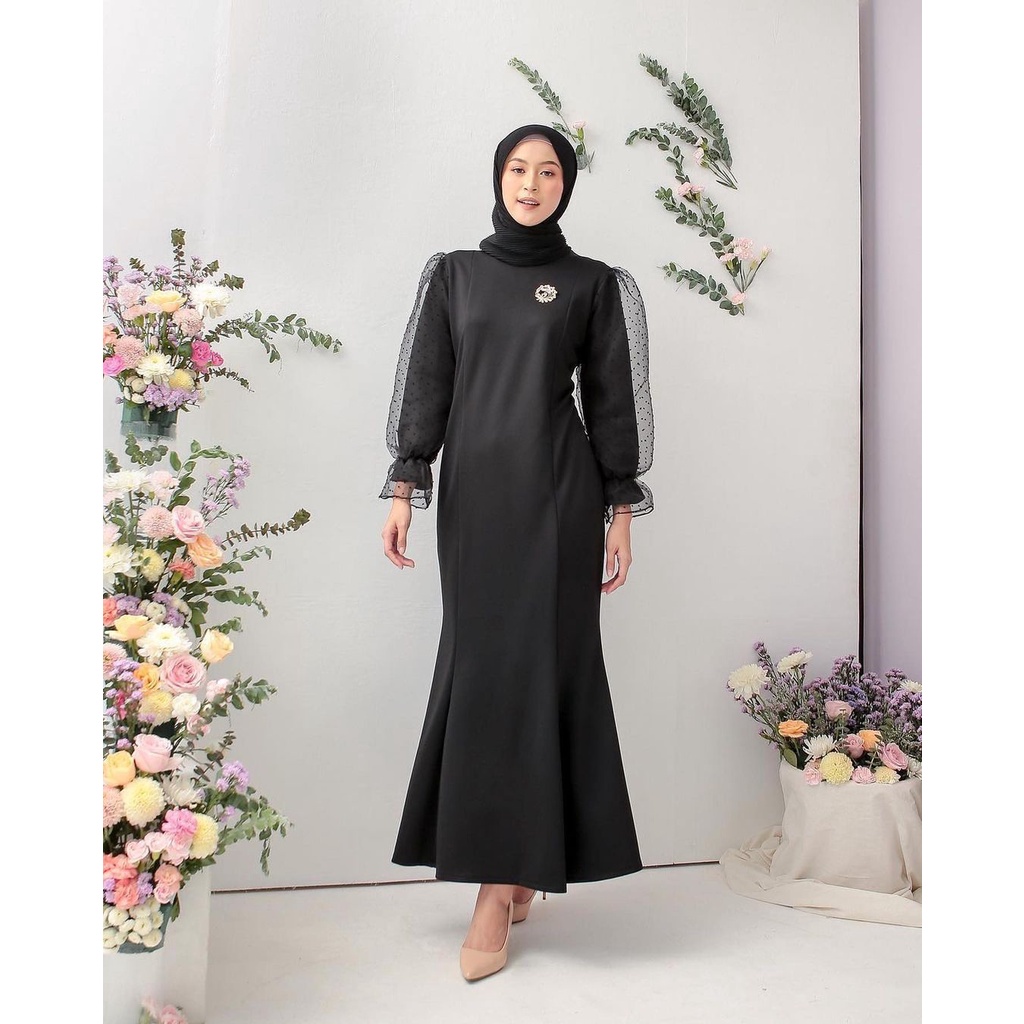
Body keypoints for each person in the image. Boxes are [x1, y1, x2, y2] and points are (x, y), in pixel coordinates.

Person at [379, 123, 655, 981]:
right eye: (517, 169)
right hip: (474, 503)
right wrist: (405, 485)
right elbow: (427, 384)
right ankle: (519, 863)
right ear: (497, 177)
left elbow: (612, 402)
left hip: (559, 501)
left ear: (566, 185)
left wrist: (620, 509)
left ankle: (498, 889)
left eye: (548, 173)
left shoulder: (592, 283)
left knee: (541, 672)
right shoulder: (455, 274)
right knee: (483, 672)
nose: (530, 185)